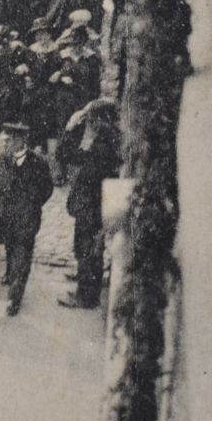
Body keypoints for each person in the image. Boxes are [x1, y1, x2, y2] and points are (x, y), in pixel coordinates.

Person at [58, 99, 121, 309]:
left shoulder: (101, 147)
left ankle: (85, 296)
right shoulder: (108, 141)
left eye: (91, 120)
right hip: (96, 205)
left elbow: (67, 156)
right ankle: (85, 283)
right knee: (89, 248)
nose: (88, 125)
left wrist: (69, 129)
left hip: (91, 207)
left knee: (87, 249)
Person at [0, 123, 56, 316]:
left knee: (23, 258)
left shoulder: (38, 163)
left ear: (21, 141)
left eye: (9, 140)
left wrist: (31, 205)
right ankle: (9, 273)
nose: (5, 143)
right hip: (7, 217)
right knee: (10, 248)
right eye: (5, 140)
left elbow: (47, 189)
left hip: (27, 220)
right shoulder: (1, 159)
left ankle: (15, 297)